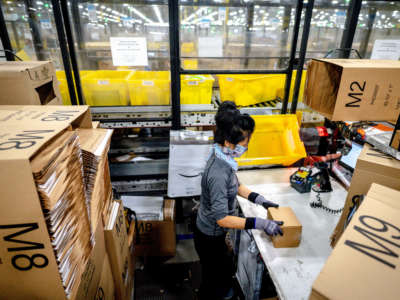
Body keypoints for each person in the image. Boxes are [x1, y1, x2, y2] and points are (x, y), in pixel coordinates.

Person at [193, 101, 284, 300]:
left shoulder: (222, 155)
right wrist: (258, 223)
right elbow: (222, 219)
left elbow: (235, 185)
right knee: (214, 280)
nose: (247, 147)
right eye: (245, 144)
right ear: (228, 142)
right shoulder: (217, 171)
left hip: (213, 234)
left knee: (222, 272)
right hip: (209, 236)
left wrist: (259, 200)